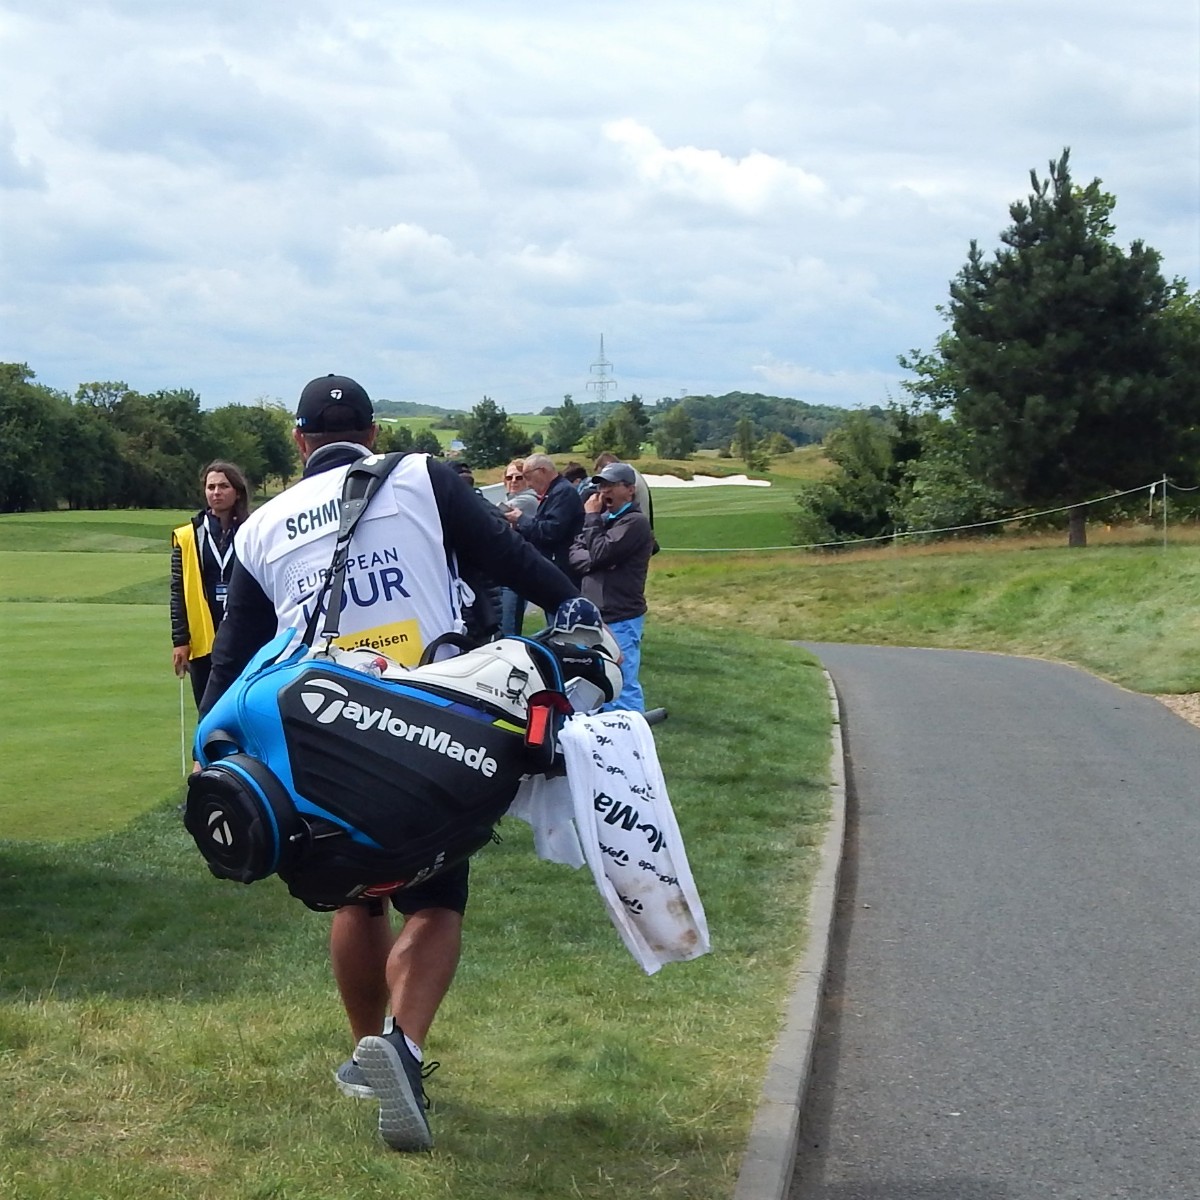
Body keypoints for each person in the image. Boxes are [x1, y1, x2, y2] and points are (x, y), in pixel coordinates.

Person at [201, 374, 581, 1154]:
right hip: (433, 729)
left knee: (355, 896)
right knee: (436, 899)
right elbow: (508, 556)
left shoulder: (260, 525)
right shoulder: (419, 477)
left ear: (299, 442)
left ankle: (363, 1052)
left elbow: (233, 661)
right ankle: (402, 1049)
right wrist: (576, 609)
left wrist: (208, 764)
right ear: (372, 434)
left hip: (318, 746)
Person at [568, 462, 654, 712]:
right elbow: (574, 553)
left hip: (620, 617)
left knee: (622, 683)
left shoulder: (634, 522)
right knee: (594, 682)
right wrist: (595, 560)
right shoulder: (604, 521)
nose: (604, 491)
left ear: (630, 490)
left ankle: (633, 732)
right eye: (601, 486)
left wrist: (592, 519)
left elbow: (600, 552)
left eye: (611, 485)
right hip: (596, 616)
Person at [170, 461, 250, 708]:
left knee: (242, 709)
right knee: (208, 710)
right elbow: (178, 592)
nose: (216, 492)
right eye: (211, 487)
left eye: (224, 486)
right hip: (204, 638)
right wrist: (180, 641)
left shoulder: (252, 531)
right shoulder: (188, 536)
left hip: (244, 635)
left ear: (237, 492)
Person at [502, 453, 585, 588]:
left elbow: (551, 531)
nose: (528, 484)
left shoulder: (563, 492)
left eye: (527, 477)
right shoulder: (554, 493)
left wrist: (521, 518)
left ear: (542, 471)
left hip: (563, 568)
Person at [496, 460, 539, 636]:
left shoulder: (528, 499)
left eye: (518, 477)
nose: (513, 481)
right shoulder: (511, 499)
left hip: (517, 571)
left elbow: (493, 513)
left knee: (508, 627)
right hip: (505, 568)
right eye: (509, 477)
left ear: (527, 479)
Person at [593, 450, 654, 529]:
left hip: (634, 525)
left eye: (609, 483)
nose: (605, 490)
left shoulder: (629, 477)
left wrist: (593, 515)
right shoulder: (631, 474)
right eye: (602, 485)